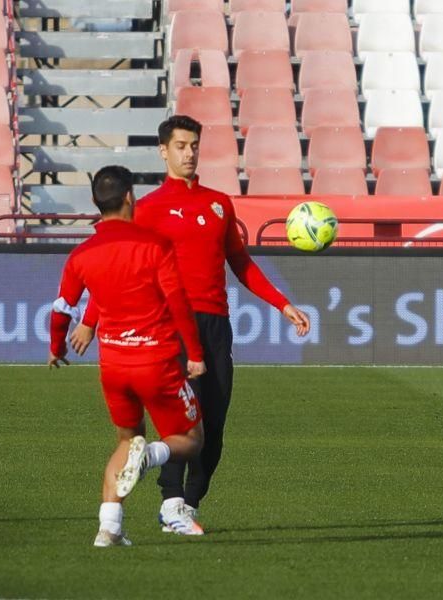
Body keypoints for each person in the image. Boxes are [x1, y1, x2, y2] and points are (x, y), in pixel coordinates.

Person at [71, 115, 311, 536]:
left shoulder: (219, 204)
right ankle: (171, 503)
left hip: (216, 325)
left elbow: (241, 264)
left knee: (213, 427)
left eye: (194, 145)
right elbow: (118, 268)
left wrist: (282, 304)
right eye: (181, 146)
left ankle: (187, 503)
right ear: (163, 151)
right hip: (169, 326)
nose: (189, 153)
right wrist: (90, 321)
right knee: (181, 423)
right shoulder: (143, 211)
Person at [48, 165, 207, 547]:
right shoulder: (154, 245)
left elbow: (61, 308)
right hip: (157, 362)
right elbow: (178, 303)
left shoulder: (83, 254)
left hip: (115, 365)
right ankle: (151, 457)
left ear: (94, 203)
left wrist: (57, 346)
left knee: (125, 441)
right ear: (130, 197)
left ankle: (109, 528)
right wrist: (196, 354)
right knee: (191, 438)